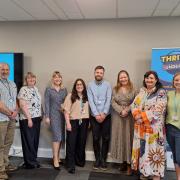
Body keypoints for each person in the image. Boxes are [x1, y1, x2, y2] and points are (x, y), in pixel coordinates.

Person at [131, 71, 167, 180]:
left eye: (151, 78)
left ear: (156, 80)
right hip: (141, 128)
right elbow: (134, 105)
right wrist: (136, 116)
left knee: (155, 150)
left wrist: (142, 117)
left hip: (155, 129)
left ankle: (156, 174)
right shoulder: (142, 92)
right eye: (147, 78)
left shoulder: (161, 92)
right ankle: (145, 172)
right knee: (144, 149)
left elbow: (158, 109)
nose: (149, 80)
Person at [110, 70, 136, 175]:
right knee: (120, 138)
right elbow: (112, 101)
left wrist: (127, 110)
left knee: (129, 138)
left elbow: (136, 101)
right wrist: (121, 110)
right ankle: (123, 162)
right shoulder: (115, 89)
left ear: (128, 77)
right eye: (121, 77)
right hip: (118, 116)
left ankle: (130, 164)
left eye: (125, 77)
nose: (123, 79)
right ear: (118, 79)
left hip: (130, 117)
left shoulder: (134, 89)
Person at [87, 65, 112, 170]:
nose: (99, 74)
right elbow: (90, 101)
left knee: (106, 138)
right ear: (94, 73)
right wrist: (96, 114)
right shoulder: (90, 85)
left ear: (103, 74)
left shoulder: (108, 85)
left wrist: (104, 113)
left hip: (106, 116)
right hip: (94, 116)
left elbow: (109, 98)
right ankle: (97, 160)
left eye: (101, 73)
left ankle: (103, 160)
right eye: (97, 72)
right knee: (96, 138)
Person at [63, 78, 89, 174]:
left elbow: (88, 110)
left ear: (83, 86)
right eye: (77, 84)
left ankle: (79, 161)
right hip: (73, 121)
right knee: (71, 143)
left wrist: (88, 122)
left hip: (84, 122)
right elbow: (66, 111)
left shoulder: (86, 96)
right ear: (75, 86)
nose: (79, 86)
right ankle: (70, 165)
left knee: (81, 142)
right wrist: (68, 123)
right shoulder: (70, 96)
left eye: (81, 84)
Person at [18, 72, 42, 169]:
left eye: (33, 78)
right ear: (26, 80)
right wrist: (29, 119)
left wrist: (41, 114)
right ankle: (29, 162)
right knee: (28, 141)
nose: (31, 79)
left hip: (37, 118)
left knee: (34, 140)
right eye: (29, 78)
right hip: (27, 119)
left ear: (35, 79)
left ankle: (33, 160)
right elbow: (22, 105)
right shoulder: (23, 89)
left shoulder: (35, 89)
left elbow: (38, 103)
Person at [44, 71, 67, 170]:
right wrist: (47, 116)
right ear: (53, 79)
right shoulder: (49, 90)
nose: (57, 79)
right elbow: (47, 104)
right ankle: (55, 160)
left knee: (61, 137)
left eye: (59, 77)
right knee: (56, 137)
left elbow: (66, 103)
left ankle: (56, 156)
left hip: (63, 116)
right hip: (53, 116)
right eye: (55, 77)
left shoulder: (64, 90)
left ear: (61, 79)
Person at [0, 63, 18, 180]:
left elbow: (15, 99)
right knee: (0, 145)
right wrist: (10, 113)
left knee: (8, 143)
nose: (5, 71)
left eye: (7, 69)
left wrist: (16, 110)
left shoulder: (12, 83)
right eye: (2, 69)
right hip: (1, 119)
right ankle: (0, 170)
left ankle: (5, 163)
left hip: (11, 118)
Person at [166, 72, 180, 180]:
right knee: (175, 155)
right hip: (170, 127)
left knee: (179, 157)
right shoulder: (169, 94)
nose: (178, 82)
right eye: (176, 80)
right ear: (173, 82)